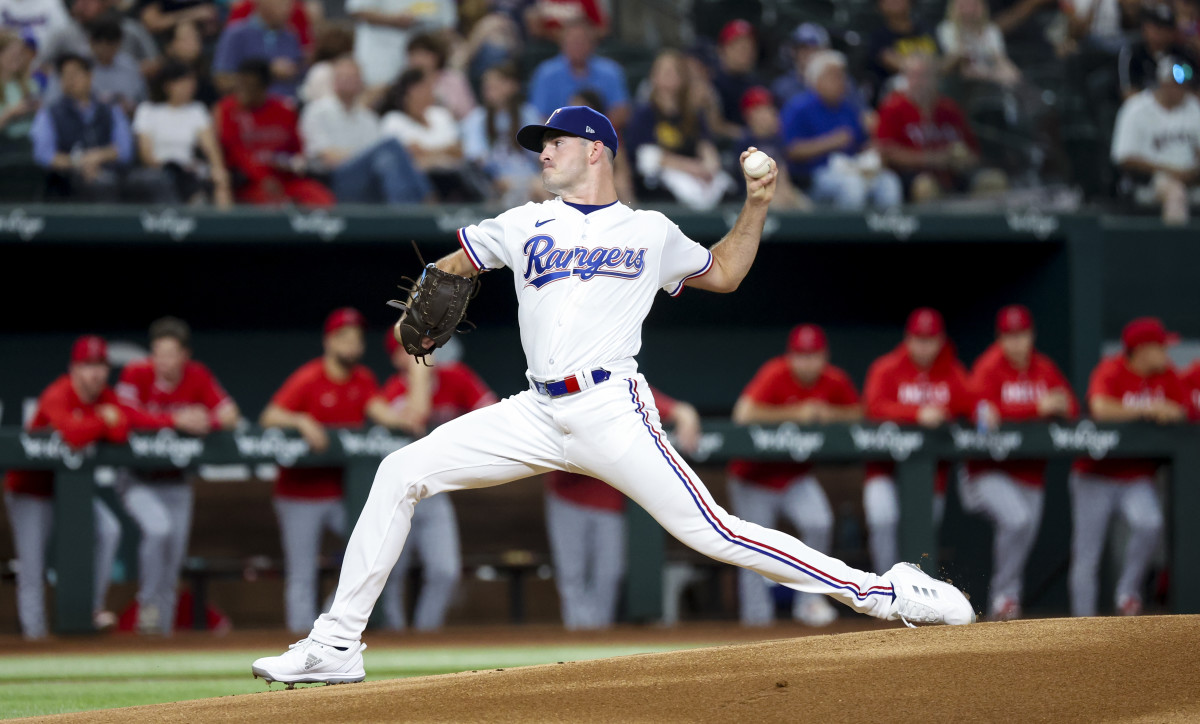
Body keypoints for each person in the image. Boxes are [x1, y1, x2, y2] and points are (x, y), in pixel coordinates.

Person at [250, 105, 974, 687]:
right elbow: (455, 262)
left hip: (610, 408)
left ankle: (885, 593)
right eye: (540, 145)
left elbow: (722, 273)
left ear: (595, 150)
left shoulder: (650, 231)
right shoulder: (526, 220)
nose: (543, 153)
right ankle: (336, 645)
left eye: (555, 143)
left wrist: (755, 204)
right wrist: (431, 291)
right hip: (534, 410)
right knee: (398, 472)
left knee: (715, 532)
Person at [2, 336, 199, 639]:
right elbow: (73, 435)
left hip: (67, 491)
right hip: (31, 489)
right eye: (87, 366)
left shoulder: (105, 395)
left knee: (109, 530)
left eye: (100, 366)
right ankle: (35, 639)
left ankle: (91, 609)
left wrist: (100, 420)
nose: (94, 373)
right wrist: (100, 420)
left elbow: (122, 429)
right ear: (74, 368)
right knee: (33, 566)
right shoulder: (58, 393)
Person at [259, 307, 425, 633]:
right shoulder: (310, 377)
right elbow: (269, 417)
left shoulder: (362, 380)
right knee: (302, 574)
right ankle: (297, 641)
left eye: (356, 338)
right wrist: (301, 420)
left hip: (338, 494)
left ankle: (324, 628)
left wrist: (413, 397)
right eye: (343, 337)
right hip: (298, 494)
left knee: (368, 552)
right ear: (328, 341)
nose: (351, 344)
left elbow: (388, 415)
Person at [728, 324, 862, 628]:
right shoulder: (775, 372)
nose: (807, 362)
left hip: (794, 476)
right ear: (790, 356)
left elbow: (859, 414)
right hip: (754, 477)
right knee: (752, 546)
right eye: (801, 355)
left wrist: (830, 415)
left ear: (824, 356)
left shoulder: (834, 380)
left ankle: (809, 602)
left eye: (813, 355)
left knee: (819, 522)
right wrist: (796, 413)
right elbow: (743, 414)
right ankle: (756, 621)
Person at [115, 317, 241, 634]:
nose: (163, 361)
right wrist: (175, 419)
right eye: (158, 353)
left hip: (176, 480)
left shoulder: (196, 375)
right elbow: (123, 413)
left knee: (173, 562)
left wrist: (206, 421)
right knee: (158, 530)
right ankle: (146, 608)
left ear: (184, 354)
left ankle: (162, 638)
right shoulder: (137, 372)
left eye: (170, 354)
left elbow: (230, 415)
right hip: (137, 477)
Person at [545, 387, 700, 630]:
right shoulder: (568, 388)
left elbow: (677, 409)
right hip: (567, 497)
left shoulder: (617, 385)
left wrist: (686, 415)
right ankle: (576, 636)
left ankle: (598, 636)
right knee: (572, 574)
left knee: (609, 573)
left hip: (609, 501)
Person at [376, 331, 495, 631]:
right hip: (400, 492)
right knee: (391, 573)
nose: (420, 354)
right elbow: (417, 417)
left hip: (435, 491)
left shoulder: (456, 376)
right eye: (409, 351)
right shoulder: (394, 390)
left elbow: (491, 412)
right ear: (396, 359)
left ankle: (425, 635)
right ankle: (395, 637)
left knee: (445, 571)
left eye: (423, 347)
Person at [964, 305, 1077, 621]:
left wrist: (1060, 406)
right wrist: (1035, 407)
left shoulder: (1045, 368)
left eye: (1021, 334)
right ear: (1000, 338)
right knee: (1017, 521)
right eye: (1009, 335)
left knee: (1023, 532)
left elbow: (1071, 406)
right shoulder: (988, 367)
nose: (1016, 342)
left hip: (1030, 474)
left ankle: (1004, 608)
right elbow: (982, 418)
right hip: (986, 472)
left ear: (1032, 335)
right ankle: (1003, 596)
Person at [1070, 317, 1188, 617]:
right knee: (1087, 555)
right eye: (1161, 347)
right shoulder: (1112, 368)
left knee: (1150, 523)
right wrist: (1148, 409)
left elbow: (1183, 409)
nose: (1166, 353)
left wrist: (1172, 411)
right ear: (1142, 349)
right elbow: (1100, 407)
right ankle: (1080, 626)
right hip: (1095, 474)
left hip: (1136, 475)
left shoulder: (1167, 375)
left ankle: (1128, 593)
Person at [862, 308, 975, 573]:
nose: (924, 347)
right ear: (908, 339)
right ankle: (883, 589)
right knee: (882, 520)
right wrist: (916, 413)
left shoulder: (951, 371)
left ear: (940, 340)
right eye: (919, 339)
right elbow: (873, 407)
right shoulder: (886, 368)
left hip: (929, 474)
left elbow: (973, 403)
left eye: (930, 340)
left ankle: (914, 599)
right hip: (883, 469)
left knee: (922, 533)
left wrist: (984, 410)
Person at [30, 52, 171, 202]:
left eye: (75, 74)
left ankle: (171, 224)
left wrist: (98, 156)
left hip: (116, 171)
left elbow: (124, 149)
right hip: (70, 177)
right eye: (65, 75)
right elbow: (44, 155)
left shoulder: (110, 109)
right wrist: (80, 162)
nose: (70, 80)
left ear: (90, 76)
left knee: (156, 179)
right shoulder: (49, 113)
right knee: (101, 183)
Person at [300, 56, 432, 205]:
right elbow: (327, 157)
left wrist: (368, 156)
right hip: (333, 180)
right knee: (391, 145)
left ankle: (413, 208)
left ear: (361, 83)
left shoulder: (368, 118)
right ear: (334, 81)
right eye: (343, 77)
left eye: (353, 77)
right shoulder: (316, 111)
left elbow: (380, 159)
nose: (349, 81)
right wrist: (366, 155)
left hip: (367, 180)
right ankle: (420, 207)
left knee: (391, 156)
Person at [782, 50, 902, 210]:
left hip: (853, 167)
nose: (841, 81)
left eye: (842, 76)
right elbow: (791, 150)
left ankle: (889, 232)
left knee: (889, 182)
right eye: (834, 76)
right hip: (815, 175)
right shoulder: (798, 107)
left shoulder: (849, 108)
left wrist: (873, 150)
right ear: (816, 80)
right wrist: (831, 142)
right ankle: (847, 234)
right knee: (852, 186)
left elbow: (861, 144)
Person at [876, 53, 995, 203]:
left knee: (993, 181)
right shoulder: (893, 107)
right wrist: (932, 158)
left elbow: (972, 151)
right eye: (913, 76)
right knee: (926, 186)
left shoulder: (949, 109)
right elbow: (885, 153)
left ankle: (979, 226)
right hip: (911, 176)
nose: (919, 82)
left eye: (924, 76)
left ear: (937, 79)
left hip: (952, 174)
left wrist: (964, 158)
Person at [215, 58, 334, 206]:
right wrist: (263, 177)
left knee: (323, 199)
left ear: (264, 86)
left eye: (250, 86)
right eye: (240, 85)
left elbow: (297, 149)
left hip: (285, 178)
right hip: (248, 183)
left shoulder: (284, 110)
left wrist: (292, 163)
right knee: (272, 205)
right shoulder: (227, 110)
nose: (242, 91)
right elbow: (235, 151)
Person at [625, 48, 733, 210]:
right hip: (663, 177)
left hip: (696, 174)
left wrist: (709, 167)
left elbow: (706, 146)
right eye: (664, 71)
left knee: (727, 188)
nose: (669, 76)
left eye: (674, 71)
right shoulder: (645, 113)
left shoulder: (693, 114)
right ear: (653, 76)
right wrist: (692, 168)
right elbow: (647, 157)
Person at [1110, 55, 1200, 224]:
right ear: (1163, 83)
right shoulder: (1136, 108)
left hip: (1191, 180)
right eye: (1175, 84)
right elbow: (1124, 158)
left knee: (1179, 190)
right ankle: (1176, 248)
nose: (1181, 90)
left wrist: (1193, 171)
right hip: (1150, 182)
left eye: (1184, 86)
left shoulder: (1193, 107)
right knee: (1175, 193)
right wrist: (1173, 172)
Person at [134, 61, 232, 206]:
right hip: (161, 169)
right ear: (168, 86)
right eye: (184, 83)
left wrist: (218, 170)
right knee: (168, 178)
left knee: (220, 181)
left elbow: (210, 146)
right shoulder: (147, 110)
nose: (190, 88)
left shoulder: (197, 110)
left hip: (190, 169)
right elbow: (146, 153)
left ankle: (226, 226)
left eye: (192, 83)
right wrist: (169, 166)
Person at [382, 67, 483, 201]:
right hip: (419, 182)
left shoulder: (441, 115)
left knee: (469, 170)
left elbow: (459, 150)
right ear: (405, 96)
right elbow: (406, 158)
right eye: (416, 92)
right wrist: (444, 152)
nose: (422, 95)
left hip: (453, 177)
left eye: (425, 89)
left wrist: (426, 153)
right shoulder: (393, 120)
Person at [461, 61, 544, 206]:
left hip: (530, 179)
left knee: (542, 188)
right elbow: (476, 159)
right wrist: (498, 179)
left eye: (496, 86)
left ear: (512, 86)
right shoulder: (476, 118)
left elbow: (540, 156)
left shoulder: (527, 114)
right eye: (487, 87)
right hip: (495, 183)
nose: (490, 91)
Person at [527, 19, 629, 128]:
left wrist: (592, 131)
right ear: (562, 44)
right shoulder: (546, 73)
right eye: (573, 42)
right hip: (557, 136)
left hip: (600, 137)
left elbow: (621, 112)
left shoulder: (610, 71)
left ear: (593, 44)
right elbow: (537, 115)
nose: (578, 46)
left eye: (582, 42)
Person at [346, 0, 455, 90]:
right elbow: (357, 9)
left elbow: (446, 25)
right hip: (380, 58)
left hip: (420, 59)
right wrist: (393, 20)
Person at [40, 0, 159, 77]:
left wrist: (131, 70)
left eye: (87, 3)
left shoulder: (131, 31)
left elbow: (155, 63)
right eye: (77, 2)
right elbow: (40, 67)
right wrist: (66, 74)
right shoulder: (63, 35)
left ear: (104, 4)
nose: (80, 7)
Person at [212, 0, 305, 99]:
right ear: (261, 3)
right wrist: (266, 72)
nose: (287, 10)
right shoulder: (236, 34)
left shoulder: (291, 36)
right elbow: (222, 80)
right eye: (281, 3)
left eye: (289, 4)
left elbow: (301, 76)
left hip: (288, 106)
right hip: (249, 109)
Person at [738, 87, 811, 210]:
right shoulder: (745, 142)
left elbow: (782, 170)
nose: (768, 114)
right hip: (754, 191)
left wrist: (786, 190)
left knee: (805, 206)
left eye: (769, 109)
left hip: (777, 187)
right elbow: (747, 176)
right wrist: (773, 193)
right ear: (750, 115)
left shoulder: (776, 140)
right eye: (760, 110)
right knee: (774, 205)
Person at [866, 0, 938, 103]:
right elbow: (892, 62)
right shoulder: (879, 36)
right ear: (880, 5)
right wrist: (923, 70)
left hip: (931, 84)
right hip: (897, 91)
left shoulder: (925, 30)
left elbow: (941, 60)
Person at [1118, 3, 1196, 98]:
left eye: (1167, 28)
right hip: (1142, 108)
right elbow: (1128, 92)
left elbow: (1195, 89)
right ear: (1145, 28)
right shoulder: (1133, 52)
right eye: (1157, 28)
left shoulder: (1182, 53)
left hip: (1179, 109)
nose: (1162, 33)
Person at [82, 17, 146, 117]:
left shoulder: (130, 66)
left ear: (119, 44)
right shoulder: (80, 66)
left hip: (126, 120)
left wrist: (131, 107)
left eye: (112, 45)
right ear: (92, 43)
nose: (107, 50)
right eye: (103, 45)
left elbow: (143, 101)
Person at [405, 32, 476, 121]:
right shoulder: (405, 82)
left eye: (422, 54)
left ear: (436, 56)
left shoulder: (454, 79)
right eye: (412, 55)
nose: (416, 60)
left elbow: (469, 113)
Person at [711, 19, 763, 139]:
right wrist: (749, 134)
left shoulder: (757, 84)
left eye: (749, 46)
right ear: (722, 49)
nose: (746, 51)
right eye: (738, 46)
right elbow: (715, 126)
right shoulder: (711, 81)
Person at [0, 29, 40, 161]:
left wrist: (39, 109)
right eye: (12, 54)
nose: (16, 58)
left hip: (29, 148)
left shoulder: (31, 85)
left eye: (20, 54)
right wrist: (11, 113)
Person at [771, 22, 831, 106]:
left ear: (825, 52)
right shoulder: (782, 87)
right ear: (794, 51)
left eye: (815, 49)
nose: (809, 54)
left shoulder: (840, 85)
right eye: (804, 48)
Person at [162, 20, 217, 106]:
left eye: (196, 37)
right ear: (170, 46)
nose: (193, 43)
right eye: (186, 39)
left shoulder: (209, 76)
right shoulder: (161, 76)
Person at [0, 0, 68, 60]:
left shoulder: (52, 3)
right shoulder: (3, 3)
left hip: (41, 62)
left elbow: (63, 33)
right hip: (6, 59)